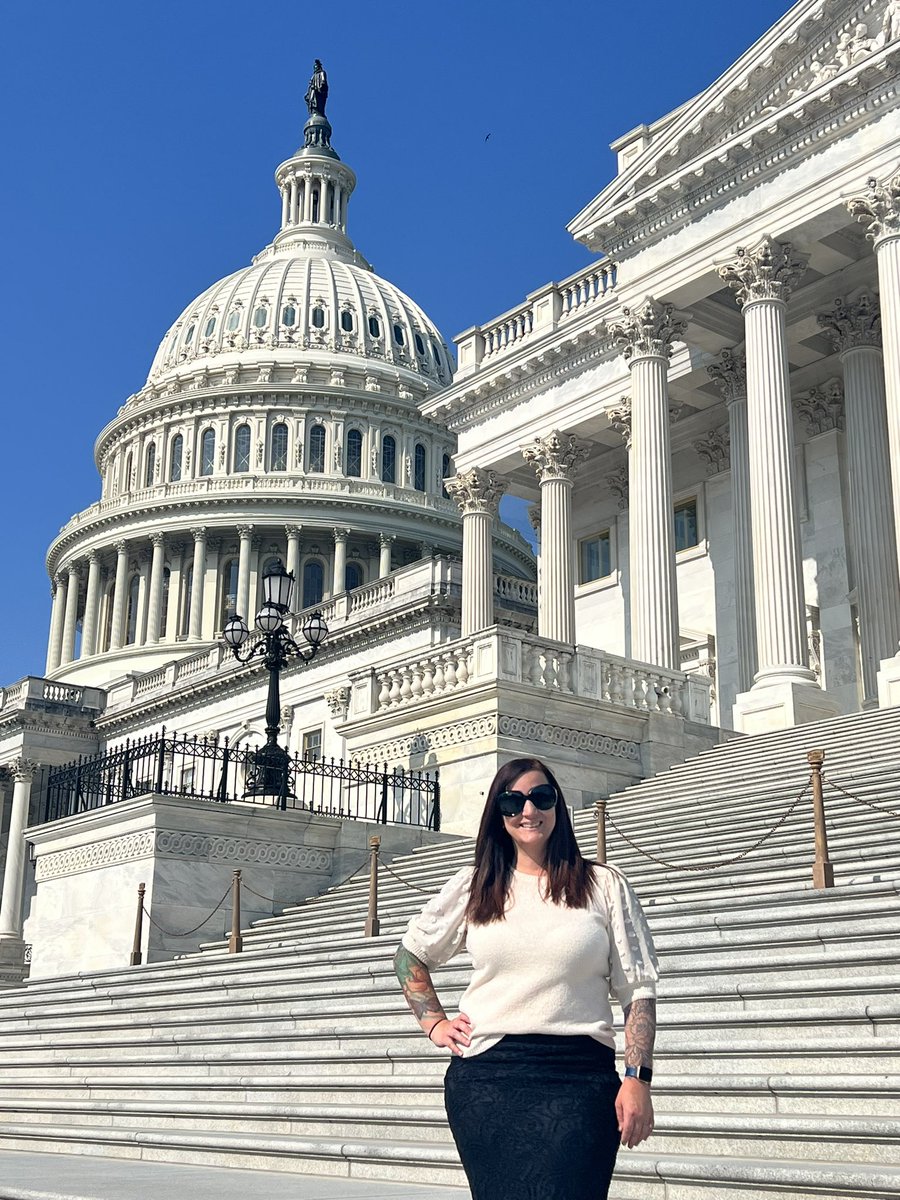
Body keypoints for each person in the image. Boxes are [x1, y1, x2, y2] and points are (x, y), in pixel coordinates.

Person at [394, 757, 658, 1200]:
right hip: (487, 1079)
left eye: (541, 797)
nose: (528, 810)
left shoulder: (604, 885)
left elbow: (638, 990)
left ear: (559, 806)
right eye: (512, 800)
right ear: (498, 814)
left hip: (579, 1077)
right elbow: (409, 957)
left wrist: (637, 1077)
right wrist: (434, 1023)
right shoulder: (475, 885)